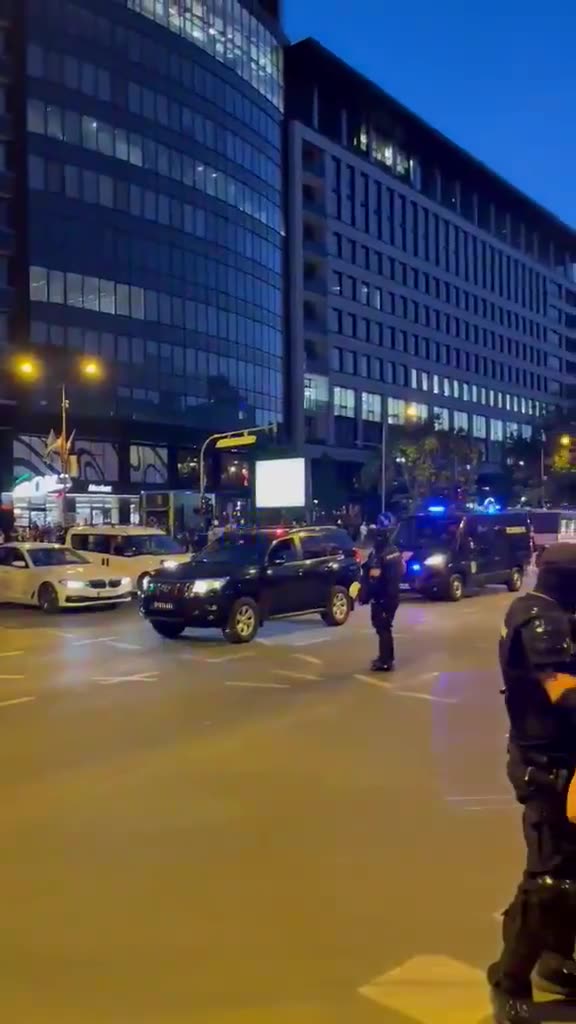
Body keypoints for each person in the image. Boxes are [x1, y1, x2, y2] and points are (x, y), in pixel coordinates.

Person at [489, 543, 576, 1023]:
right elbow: (562, 690)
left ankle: (556, 959)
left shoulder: (548, 611)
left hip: (564, 761)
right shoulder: (541, 622)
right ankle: (510, 979)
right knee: (548, 880)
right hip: (545, 766)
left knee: (570, 870)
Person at [359, 526, 403, 672]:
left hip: (383, 597)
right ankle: (386, 658)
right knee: (385, 627)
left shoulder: (380, 554)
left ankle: (385, 661)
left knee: (383, 628)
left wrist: (365, 596)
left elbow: (374, 579)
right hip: (393, 595)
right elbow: (402, 569)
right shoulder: (394, 550)